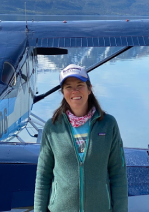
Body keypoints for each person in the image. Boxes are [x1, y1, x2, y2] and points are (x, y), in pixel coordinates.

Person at [34, 64, 128, 212]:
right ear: (63, 91)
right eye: (68, 87)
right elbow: (43, 176)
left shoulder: (108, 125)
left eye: (80, 85)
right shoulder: (52, 127)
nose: (75, 91)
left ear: (89, 88)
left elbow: (118, 174)